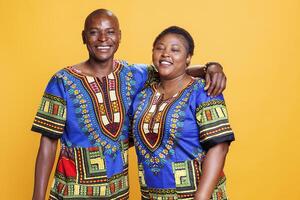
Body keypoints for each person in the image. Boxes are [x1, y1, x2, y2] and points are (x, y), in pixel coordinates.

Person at [31, 9, 227, 200]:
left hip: (119, 192)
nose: (102, 39)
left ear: (119, 37)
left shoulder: (135, 74)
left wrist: (210, 67)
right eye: (93, 32)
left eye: (110, 32)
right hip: (73, 190)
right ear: (83, 37)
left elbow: (172, 70)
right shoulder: (62, 81)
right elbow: (48, 142)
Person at [131, 26, 235, 200]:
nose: (165, 53)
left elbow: (219, 147)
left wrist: (200, 198)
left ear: (188, 58)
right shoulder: (142, 96)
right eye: (160, 48)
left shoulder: (204, 91)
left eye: (175, 50)